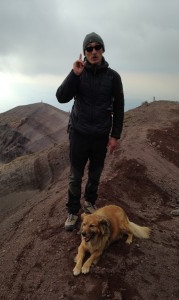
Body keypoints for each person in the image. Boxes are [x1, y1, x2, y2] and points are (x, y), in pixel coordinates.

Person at [56, 32, 124, 231]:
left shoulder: (113, 77)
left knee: (95, 174)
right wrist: (73, 74)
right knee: (75, 176)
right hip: (79, 133)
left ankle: (89, 202)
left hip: (100, 135)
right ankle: (72, 211)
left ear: (103, 49)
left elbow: (119, 108)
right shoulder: (79, 73)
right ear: (85, 52)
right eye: (89, 48)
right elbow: (61, 97)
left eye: (97, 47)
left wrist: (115, 136)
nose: (93, 52)